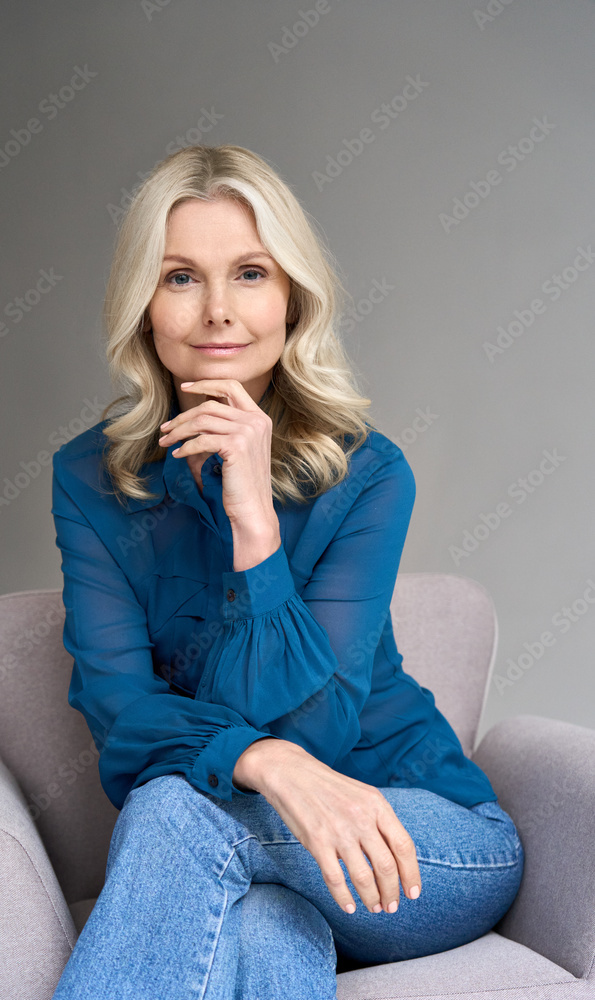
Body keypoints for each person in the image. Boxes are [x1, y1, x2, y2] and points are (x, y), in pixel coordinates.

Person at [50, 144, 524, 999]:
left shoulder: (368, 474)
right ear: (142, 304)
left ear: (293, 297)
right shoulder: (88, 481)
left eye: (251, 274)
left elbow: (319, 733)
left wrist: (254, 527)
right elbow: (122, 723)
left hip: (418, 839)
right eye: (182, 278)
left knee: (171, 812)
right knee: (267, 929)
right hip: (264, 851)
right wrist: (265, 765)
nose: (218, 312)